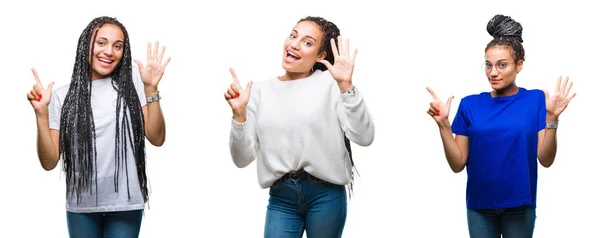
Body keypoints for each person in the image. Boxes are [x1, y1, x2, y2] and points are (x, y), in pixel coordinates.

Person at [426, 14, 576, 238]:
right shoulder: (469, 105)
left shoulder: (535, 100)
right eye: (488, 65)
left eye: (502, 65)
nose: (493, 72)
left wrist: (552, 117)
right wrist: (443, 125)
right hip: (479, 206)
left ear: (519, 65)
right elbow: (457, 164)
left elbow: (545, 159)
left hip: (519, 205)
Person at [224, 16, 375, 237]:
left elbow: (365, 136)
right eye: (293, 35)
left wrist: (346, 86)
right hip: (281, 198)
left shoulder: (331, 84)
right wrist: (239, 114)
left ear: (321, 56)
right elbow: (241, 159)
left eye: (307, 42)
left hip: (326, 195)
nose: (294, 44)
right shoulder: (258, 91)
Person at [26, 16, 170, 237]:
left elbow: (157, 138)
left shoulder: (134, 83)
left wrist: (151, 89)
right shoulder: (62, 97)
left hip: (125, 203)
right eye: (101, 42)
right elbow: (49, 161)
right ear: (86, 44)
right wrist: (41, 114)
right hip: (82, 206)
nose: (109, 51)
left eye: (118, 46)